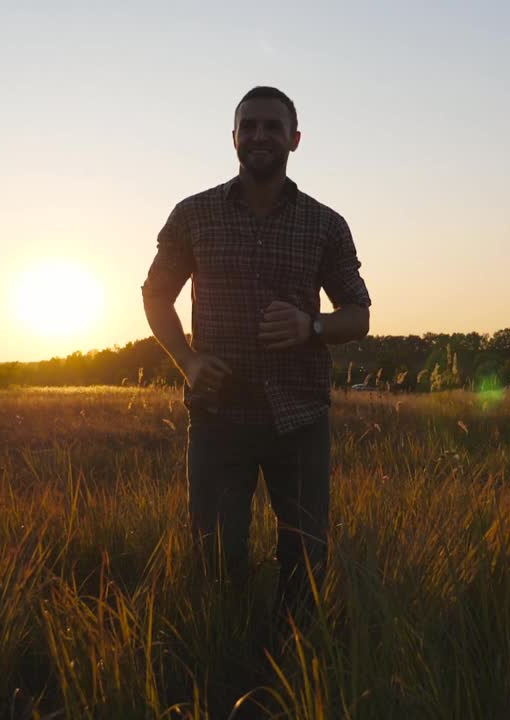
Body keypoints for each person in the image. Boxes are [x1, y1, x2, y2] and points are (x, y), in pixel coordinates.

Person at [141, 86, 372, 625]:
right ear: (234, 139)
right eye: (250, 126)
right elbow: (155, 295)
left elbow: (357, 314)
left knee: (306, 557)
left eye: (272, 126)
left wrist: (310, 325)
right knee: (217, 557)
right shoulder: (194, 215)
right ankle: (226, 657)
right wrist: (188, 361)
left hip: (301, 419)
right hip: (221, 417)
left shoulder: (325, 224)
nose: (260, 136)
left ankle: (294, 666)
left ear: (294, 139)